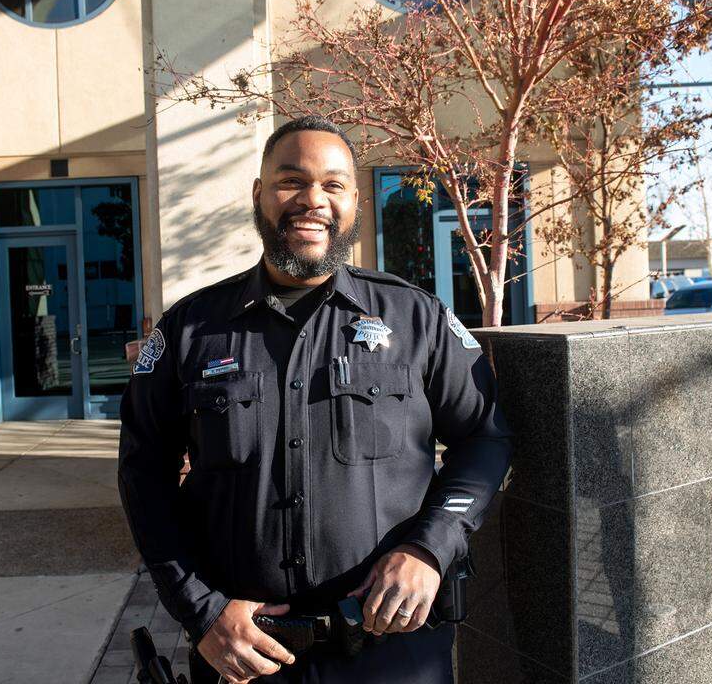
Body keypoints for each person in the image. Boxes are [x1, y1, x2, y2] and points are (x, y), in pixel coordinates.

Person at [118, 115, 512, 683]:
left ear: (355, 200)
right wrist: (200, 611)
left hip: (393, 655)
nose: (312, 201)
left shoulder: (415, 319)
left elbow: (485, 436)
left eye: (333, 184)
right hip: (244, 655)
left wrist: (430, 549)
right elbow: (143, 474)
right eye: (291, 181)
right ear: (260, 194)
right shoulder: (191, 330)